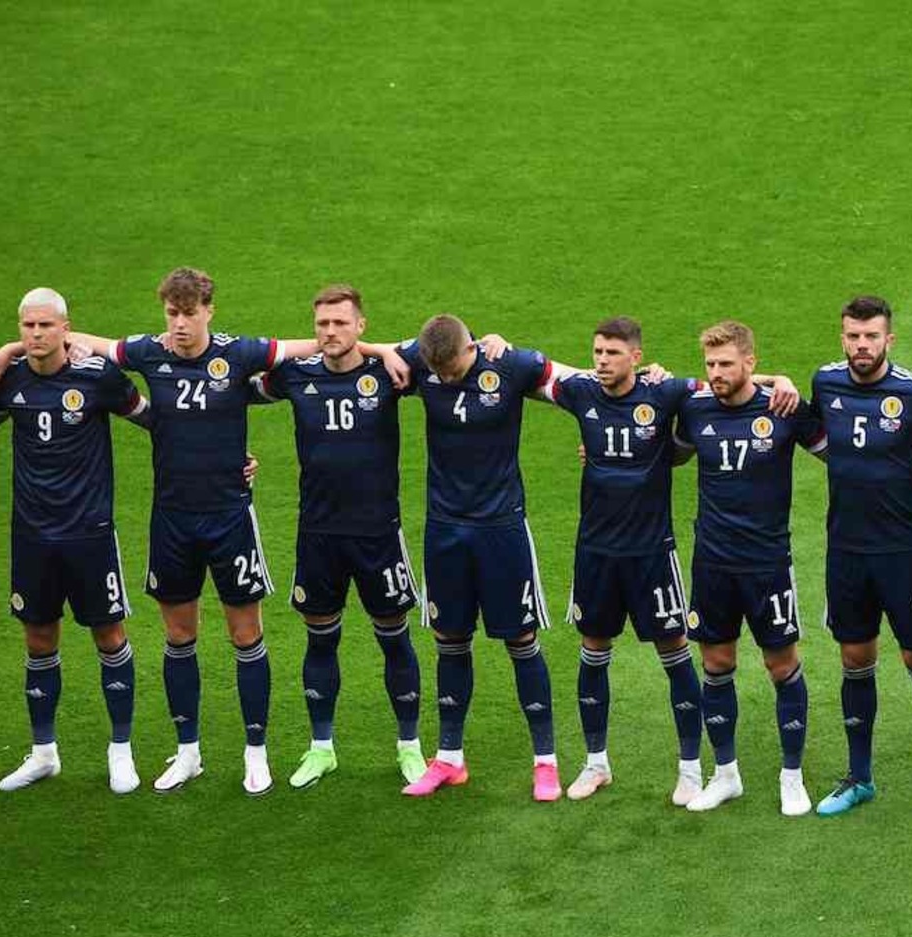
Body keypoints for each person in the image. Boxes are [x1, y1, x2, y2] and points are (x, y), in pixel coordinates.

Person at [55, 267, 323, 795]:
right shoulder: (148, 352)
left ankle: (256, 753)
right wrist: (33, 345)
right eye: (172, 314)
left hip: (229, 519)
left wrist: (382, 352)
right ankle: (188, 753)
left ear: (208, 312)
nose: (179, 324)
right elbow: (95, 343)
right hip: (172, 520)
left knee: (246, 636)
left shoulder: (239, 353)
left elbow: (314, 344)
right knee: (179, 637)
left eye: (189, 314)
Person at [536, 317, 799, 803]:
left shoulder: (666, 393)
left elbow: (725, 381)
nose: (601, 361)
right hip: (594, 551)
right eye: (596, 352)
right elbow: (534, 374)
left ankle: (690, 769)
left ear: (636, 356)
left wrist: (776, 379)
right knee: (592, 650)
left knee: (677, 653)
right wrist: (489, 344)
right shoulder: (582, 392)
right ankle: (596, 764)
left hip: (653, 552)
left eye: (612, 353)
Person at [377, 315, 592, 801]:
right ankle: (449, 758)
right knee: (449, 638)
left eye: (452, 370)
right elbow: (355, 344)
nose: (447, 379)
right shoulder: (423, 359)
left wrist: (647, 382)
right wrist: (385, 352)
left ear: (470, 347)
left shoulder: (511, 364)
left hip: (501, 529)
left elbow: (579, 382)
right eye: (439, 373)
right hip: (445, 530)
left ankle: (546, 762)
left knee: (521, 639)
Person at [0, 288, 155, 794]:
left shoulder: (98, 377)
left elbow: (156, 422)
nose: (36, 334)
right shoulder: (8, 380)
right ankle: (43, 753)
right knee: (38, 641)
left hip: (90, 534)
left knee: (110, 637)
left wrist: (226, 457)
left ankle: (120, 751)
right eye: (27, 327)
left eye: (45, 326)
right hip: (31, 537)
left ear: (65, 327)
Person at [250, 286, 426, 788]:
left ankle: (409, 747)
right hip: (318, 534)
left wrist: (384, 352)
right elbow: (231, 386)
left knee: (394, 639)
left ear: (361, 326)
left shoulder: (387, 374)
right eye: (322, 324)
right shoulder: (293, 376)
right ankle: (321, 747)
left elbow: (453, 340)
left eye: (340, 324)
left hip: (377, 534)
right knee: (320, 639)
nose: (330, 332)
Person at [809, 296, 912, 819]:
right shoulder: (825, 383)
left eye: (871, 336)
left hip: (903, 550)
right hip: (846, 549)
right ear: (842, 336)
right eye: (852, 336)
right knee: (854, 659)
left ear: (888, 339)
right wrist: (775, 383)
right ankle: (859, 777)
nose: (861, 345)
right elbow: (808, 431)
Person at [675, 321, 828, 816]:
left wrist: (780, 383)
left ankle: (791, 776)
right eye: (710, 365)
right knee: (716, 666)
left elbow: (840, 454)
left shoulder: (783, 409)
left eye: (726, 364)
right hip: (712, 564)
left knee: (781, 666)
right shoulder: (694, 408)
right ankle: (726, 775)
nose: (716, 374)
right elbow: (664, 452)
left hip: (767, 564)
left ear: (750, 363)